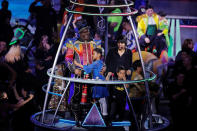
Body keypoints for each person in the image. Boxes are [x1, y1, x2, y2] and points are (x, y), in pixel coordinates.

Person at [74, 48, 109, 119]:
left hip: (100, 82)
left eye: (94, 54)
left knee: (102, 99)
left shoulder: (97, 62)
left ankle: (104, 115)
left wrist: (77, 64)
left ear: (99, 55)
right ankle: (103, 115)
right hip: (98, 82)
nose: (92, 55)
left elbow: (87, 68)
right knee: (101, 99)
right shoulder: (100, 62)